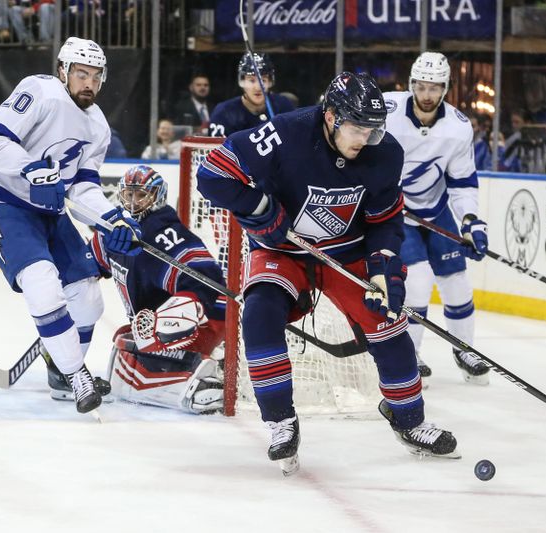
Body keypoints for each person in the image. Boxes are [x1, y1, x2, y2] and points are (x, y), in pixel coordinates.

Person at [197, 71, 461, 474]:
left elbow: (386, 221)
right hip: (282, 250)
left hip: (348, 252)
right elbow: (212, 173)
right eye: (357, 129)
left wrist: (384, 266)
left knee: (388, 322)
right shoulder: (286, 132)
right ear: (332, 117)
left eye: (373, 131)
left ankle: (409, 419)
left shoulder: (385, 152)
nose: (364, 140)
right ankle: (281, 421)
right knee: (259, 314)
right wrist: (258, 209)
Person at [0, 37, 142, 414]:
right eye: (81, 73)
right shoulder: (40, 90)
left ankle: (60, 369)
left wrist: (113, 220)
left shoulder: (98, 126)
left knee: (88, 298)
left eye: (96, 76)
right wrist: (31, 169)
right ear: (63, 70)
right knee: (42, 282)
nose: (89, 83)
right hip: (2, 203)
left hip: (50, 214)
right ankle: (76, 375)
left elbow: (82, 188)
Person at [383, 52, 490, 384]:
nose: (427, 95)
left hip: (436, 209)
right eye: (421, 86)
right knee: (415, 284)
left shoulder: (457, 128)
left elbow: (461, 183)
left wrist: (471, 220)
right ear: (411, 84)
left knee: (456, 280)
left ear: (446, 88)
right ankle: (409, 355)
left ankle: (463, 348)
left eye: (435, 88)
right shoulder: (386, 113)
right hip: (397, 212)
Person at [88, 165, 227, 413]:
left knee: (149, 331)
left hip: (208, 320)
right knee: (127, 337)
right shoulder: (114, 230)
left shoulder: (164, 232)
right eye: (129, 195)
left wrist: (172, 319)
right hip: (152, 325)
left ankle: (212, 370)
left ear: (157, 196)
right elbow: (89, 264)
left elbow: (207, 278)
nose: (133, 202)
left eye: (141, 195)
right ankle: (173, 367)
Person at [208, 52, 295, 137]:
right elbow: (216, 150)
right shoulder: (224, 113)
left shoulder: (284, 106)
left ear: (270, 82)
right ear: (242, 82)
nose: (258, 87)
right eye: (251, 80)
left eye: (263, 80)